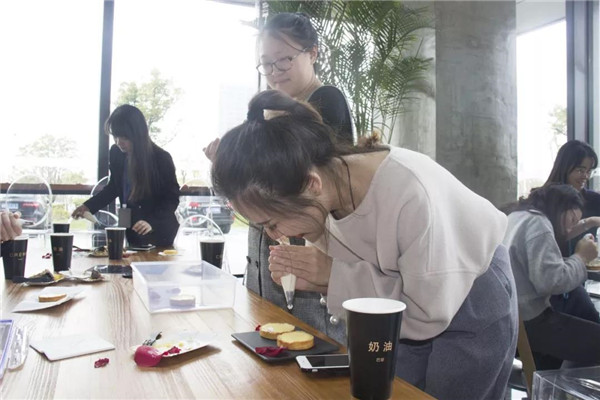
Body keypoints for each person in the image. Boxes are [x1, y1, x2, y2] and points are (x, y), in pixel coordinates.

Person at [211, 90, 518, 399]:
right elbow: (380, 286)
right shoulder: (319, 198)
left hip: (470, 294)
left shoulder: (410, 192)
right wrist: (324, 279)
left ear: (311, 184)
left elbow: (424, 313)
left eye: (271, 223)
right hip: (402, 316)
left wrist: (331, 277)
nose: (273, 234)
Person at [205, 12, 353, 343]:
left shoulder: (326, 100)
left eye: (284, 60)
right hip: (267, 262)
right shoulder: (270, 110)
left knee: (310, 349)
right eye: (266, 64)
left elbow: (311, 180)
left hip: (304, 263)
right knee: (266, 347)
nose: (275, 72)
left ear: (312, 53)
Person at [503, 184, 600, 370]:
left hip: (512, 316)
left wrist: (588, 223)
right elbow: (552, 282)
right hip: (531, 321)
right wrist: (581, 257)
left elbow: (541, 263)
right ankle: (568, 385)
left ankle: (554, 380)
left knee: (579, 307)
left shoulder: (519, 216)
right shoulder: (539, 225)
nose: (570, 229)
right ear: (559, 209)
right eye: (572, 220)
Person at [72, 105, 180, 247]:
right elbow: (114, 187)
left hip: (159, 231)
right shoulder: (116, 153)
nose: (119, 142)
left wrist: (151, 221)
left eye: (124, 137)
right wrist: (88, 206)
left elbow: (171, 198)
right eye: (115, 136)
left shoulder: (161, 158)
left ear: (137, 134)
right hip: (132, 227)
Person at [543, 140, 600, 323]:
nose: (585, 176)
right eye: (580, 170)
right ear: (565, 166)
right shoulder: (543, 202)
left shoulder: (592, 199)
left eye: (589, 171)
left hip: (576, 281)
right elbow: (557, 236)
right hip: (555, 289)